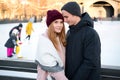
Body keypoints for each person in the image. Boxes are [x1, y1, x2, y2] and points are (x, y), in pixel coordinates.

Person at [61, 2, 101, 80]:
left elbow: (91, 62)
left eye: (66, 17)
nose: (64, 20)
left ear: (75, 14)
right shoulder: (69, 32)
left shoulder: (91, 34)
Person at [35, 9, 68, 80]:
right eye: (56, 22)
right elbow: (51, 67)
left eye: (61, 22)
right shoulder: (44, 40)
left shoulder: (59, 38)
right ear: (50, 24)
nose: (59, 25)